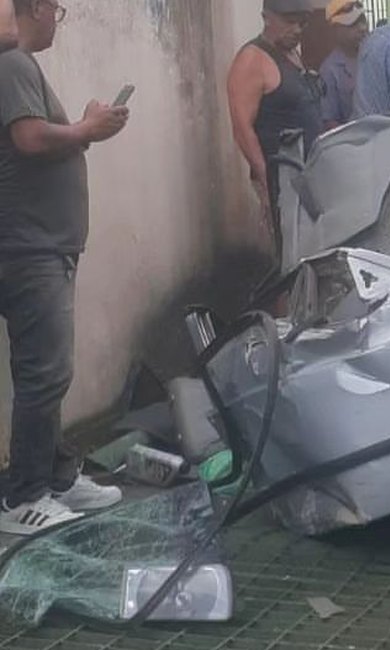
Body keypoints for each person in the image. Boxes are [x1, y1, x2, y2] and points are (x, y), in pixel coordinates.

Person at [0, 0, 130, 535]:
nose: (58, 18)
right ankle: (24, 497)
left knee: (47, 369)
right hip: (29, 248)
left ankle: (55, 475)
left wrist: (84, 128)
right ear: (33, 9)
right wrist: (87, 128)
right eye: (56, 8)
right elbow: (29, 138)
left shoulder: (18, 67)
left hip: (40, 245)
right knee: (45, 371)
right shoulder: (13, 63)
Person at [227, 0, 323, 246]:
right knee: (290, 252)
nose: (297, 29)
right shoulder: (252, 59)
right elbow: (242, 129)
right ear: (266, 17)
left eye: (302, 22)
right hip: (283, 178)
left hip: (309, 175)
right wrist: (268, 183)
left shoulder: (292, 54)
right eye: (289, 21)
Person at [320, 0, 369, 131]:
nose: (362, 28)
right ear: (335, 29)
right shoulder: (329, 71)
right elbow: (329, 122)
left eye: (363, 20)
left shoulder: (374, 56)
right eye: (353, 24)